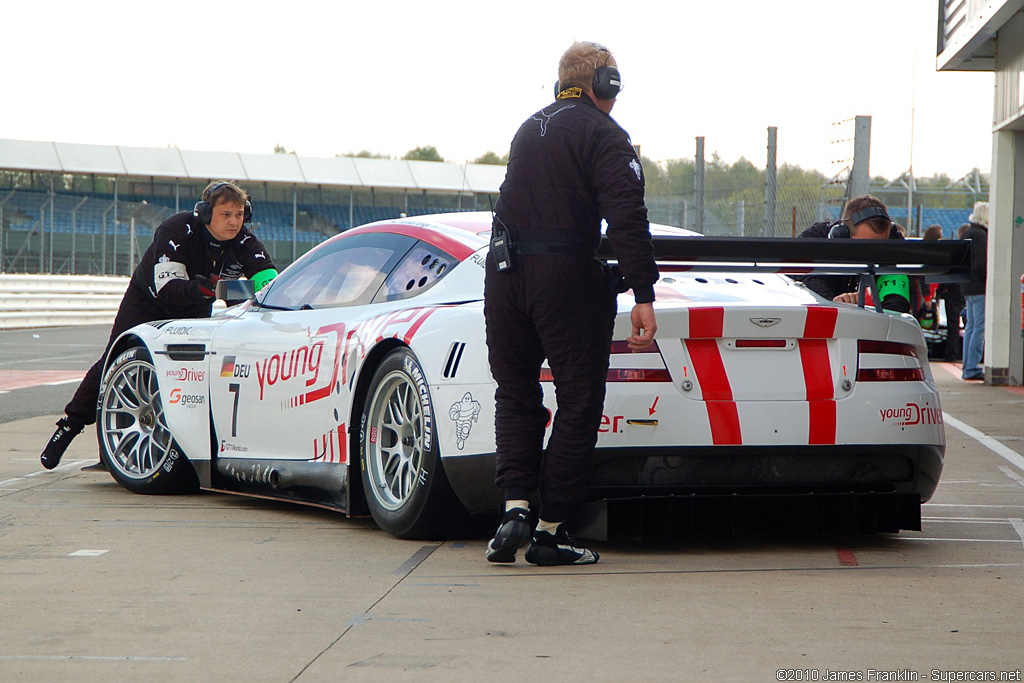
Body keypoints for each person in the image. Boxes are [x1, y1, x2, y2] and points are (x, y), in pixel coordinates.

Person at [483, 41, 658, 566]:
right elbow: (627, 216)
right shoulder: (603, 133)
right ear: (607, 84)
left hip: (503, 274)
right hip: (563, 276)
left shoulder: (528, 127)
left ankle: (514, 509)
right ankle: (551, 530)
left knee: (515, 394)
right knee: (579, 401)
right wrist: (643, 292)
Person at [41, 181, 278, 470]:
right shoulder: (176, 230)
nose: (234, 222)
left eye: (239, 215)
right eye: (226, 214)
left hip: (194, 307)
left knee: (184, 372)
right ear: (205, 213)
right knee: (113, 363)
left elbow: (269, 283)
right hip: (148, 302)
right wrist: (211, 290)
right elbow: (169, 289)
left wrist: (234, 291)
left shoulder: (245, 242)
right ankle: (69, 426)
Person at [796, 195, 911, 314]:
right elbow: (807, 279)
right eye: (864, 247)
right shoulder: (815, 240)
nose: (871, 256)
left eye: (880, 247)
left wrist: (870, 305)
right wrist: (832, 303)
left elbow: (896, 308)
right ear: (841, 234)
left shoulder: (895, 247)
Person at [923, 224, 965, 361]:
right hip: (955, 290)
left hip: (949, 291)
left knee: (952, 323)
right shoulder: (954, 251)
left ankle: (950, 353)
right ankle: (953, 353)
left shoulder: (928, 252)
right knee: (955, 323)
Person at [960, 203, 988, 380]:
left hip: (967, 285)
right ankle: (971, 367)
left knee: (970, 326)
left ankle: (967, 365)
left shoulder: (967, 233)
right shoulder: (982, 235)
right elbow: (981, 263)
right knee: (979, 326)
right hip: (979, 286)